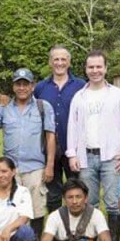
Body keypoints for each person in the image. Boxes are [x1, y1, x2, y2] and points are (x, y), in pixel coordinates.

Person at [66, 50, 120, 241]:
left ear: (105, 68)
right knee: (89, 203)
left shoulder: (117, 95)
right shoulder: (79, 97)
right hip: (86, 157)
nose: (95, 71)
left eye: (99, 67)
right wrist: (72, 154)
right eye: (91, 67)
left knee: (114, 203)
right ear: (85, 69)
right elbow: (72, 126)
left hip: (112, 157)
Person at [0, 68, 56, 241]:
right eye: (18, 84)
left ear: (32, 86)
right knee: (10, 207)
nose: (22, 88)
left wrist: (50, 164)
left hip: (35, 166)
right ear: (13, 86)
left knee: (36, 207)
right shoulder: (4, 108)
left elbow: (50, 136)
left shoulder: (42, 107)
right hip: (10, 169)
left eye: (26, 84)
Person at [34, 45, 86, 212]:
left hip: (75, 147)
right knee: (53, 193)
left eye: (63, 59)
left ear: (69, 62)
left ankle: (78, 230)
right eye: (56, 59)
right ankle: (56, 230)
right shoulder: (41, 87)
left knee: (76, 190)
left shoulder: (80, 85)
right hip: (49, 149)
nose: (60, 63)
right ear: (50, 62)